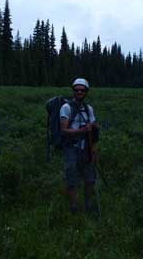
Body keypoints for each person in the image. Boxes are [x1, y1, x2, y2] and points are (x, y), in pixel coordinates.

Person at [60, 78, 98, 214]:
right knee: (72, 180)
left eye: (82, 90)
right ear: (73, 91)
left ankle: (87, 205)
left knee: (90, 179)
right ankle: (74, 208)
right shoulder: (66, 108)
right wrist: (81, 131)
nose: (79, 92)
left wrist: (93, 150)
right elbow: (63, 130)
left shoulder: (88, 109)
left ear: (86, 92)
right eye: (77, 90)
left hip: (86, 148)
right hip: (71, 148)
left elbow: (93, 129)